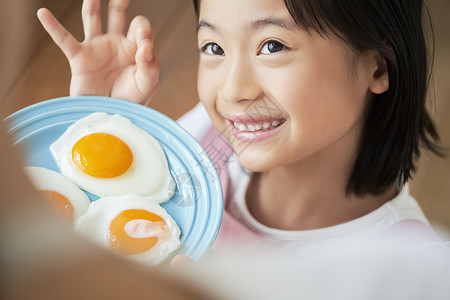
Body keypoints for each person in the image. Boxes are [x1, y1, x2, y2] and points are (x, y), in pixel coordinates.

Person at [36, 0, 443, 257]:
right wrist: (106, 123)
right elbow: (107, 222)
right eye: (214, 48)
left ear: (378, 66)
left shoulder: (407, 265)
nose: (233, 90)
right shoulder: (208, 138)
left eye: (273, 46)